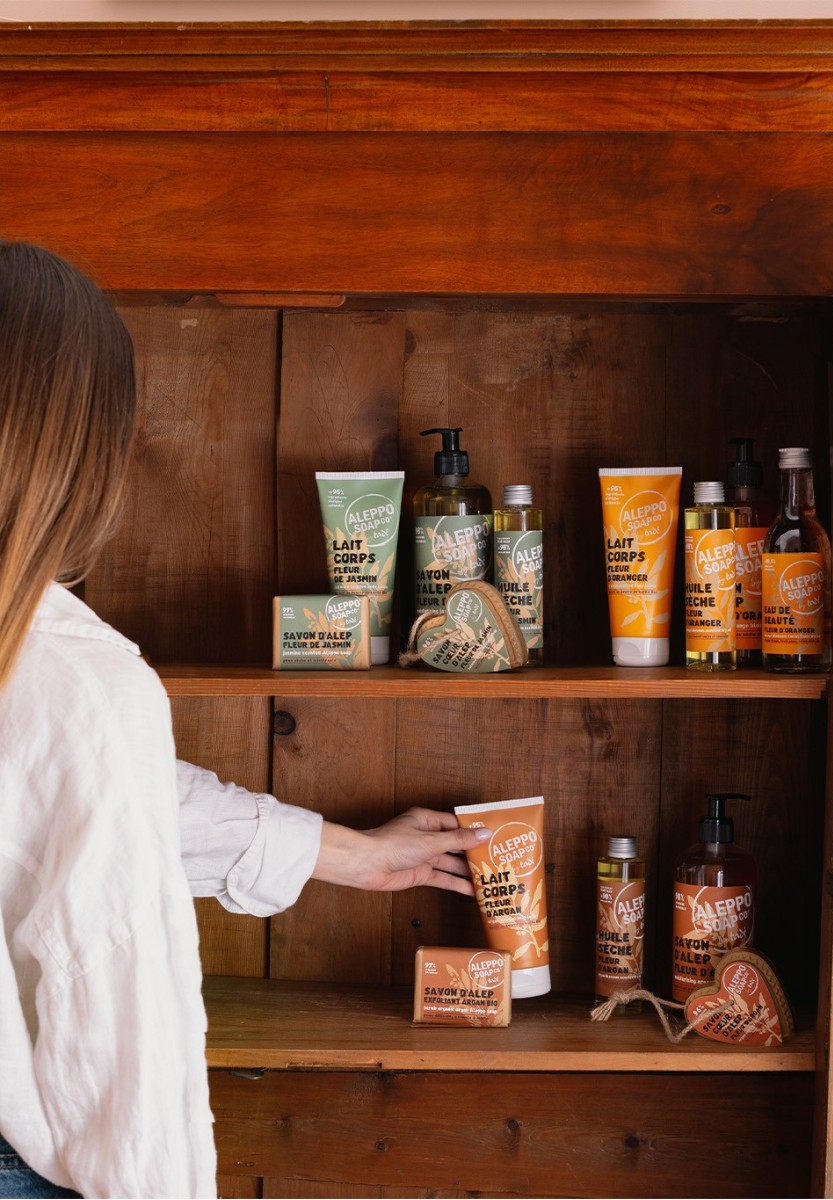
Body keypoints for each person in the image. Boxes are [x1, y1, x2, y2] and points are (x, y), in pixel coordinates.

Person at [0, 241, 491, 1199]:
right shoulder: (77, 681)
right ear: (83, 448)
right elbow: (122, 1032)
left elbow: (73, 805)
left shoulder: (55, 684)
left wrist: (349, 855)